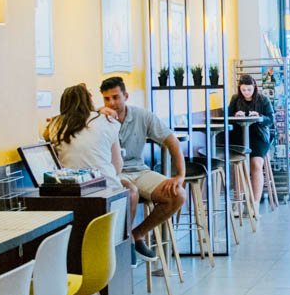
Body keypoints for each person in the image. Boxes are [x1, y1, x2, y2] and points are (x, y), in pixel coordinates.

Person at [45, 83, 153, 258]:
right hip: (105, 189)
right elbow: (117, 165)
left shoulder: (54, 125)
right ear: (88, 101)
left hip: (70, 191)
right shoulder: (107, 121)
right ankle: (128, 241)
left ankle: (129, 241)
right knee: (131, 189)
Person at [97, 76, 188, 246]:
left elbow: (172, 141)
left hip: (139, 170)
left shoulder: (142, 115)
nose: (111, 103)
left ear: (126, 96)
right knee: (131, 192)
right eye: (106, 99)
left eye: (116, 97)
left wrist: (180, 175)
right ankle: (123, 245)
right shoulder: (98, 118)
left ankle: (136, 235)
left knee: (178, 195)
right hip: (113, 173)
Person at [228, 74, 275, 205]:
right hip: (240, 135)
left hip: (259, 136)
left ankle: (255, 203)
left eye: (249, 89)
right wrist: (235, 115)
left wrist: (259, 116)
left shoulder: (263, 99)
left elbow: (271, 119)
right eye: (243, 90)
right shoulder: (235, 99)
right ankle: (239, 202)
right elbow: (228, 116)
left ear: (254, 87)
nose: (246, 92)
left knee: (256, 164)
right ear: (239, 89)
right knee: (240, 165)